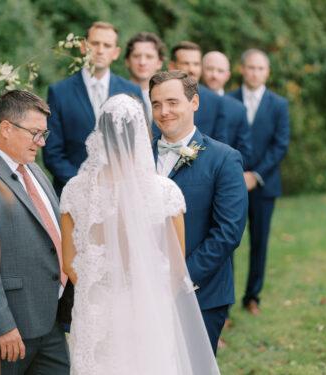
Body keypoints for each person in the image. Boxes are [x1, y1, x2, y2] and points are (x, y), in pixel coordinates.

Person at [60, 94, 220, 374]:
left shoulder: (75, 190)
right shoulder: (164, 191)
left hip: (97, 309)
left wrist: (100, 292)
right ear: (143, 133)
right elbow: (175, 263)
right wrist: (148, 298)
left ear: (100, 134)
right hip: (149, 310)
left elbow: (69, 262)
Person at [0, 90, 70, 374]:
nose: (41, 142)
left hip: (50, 321)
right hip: (9, 329)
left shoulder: (35, 170)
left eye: (44, 134)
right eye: (35, 133)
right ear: (6, 129)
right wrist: (2, 324)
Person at [150, 71, 248, 354]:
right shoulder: (137, 157)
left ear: (194, 103)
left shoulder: (224, 158)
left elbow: (228, 233)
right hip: (143, 295)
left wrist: (177, 279)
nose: (164, 111)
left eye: (172, 102)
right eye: (156, 104)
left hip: (200, 294)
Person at [44, 21, 143, 196]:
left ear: (116, 53)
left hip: (121, 194)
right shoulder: (59, 92)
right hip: (73, 193)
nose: (100, 50)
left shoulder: (131, 91)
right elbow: (52, 153)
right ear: (83, 47)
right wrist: (83, 185)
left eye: (107, 45)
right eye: (95, 43)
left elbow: (139, 145)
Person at [228, 49, 290, 315]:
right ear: (242, 69)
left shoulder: (279, 105)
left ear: (267, 72)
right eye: (251, 67)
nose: (255, 72)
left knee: (259, 242)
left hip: (264, 186)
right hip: (231, 183)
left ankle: (252, 296)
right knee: (226, 242)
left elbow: (280, 145)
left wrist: (255, 176)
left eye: (260, 68)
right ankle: (224, 301)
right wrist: (237, 174)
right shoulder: (228, 101)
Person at [153, 41, 227, 144]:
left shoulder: (216, 102)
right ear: (172, 66)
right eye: (186, 63)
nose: (192, 69)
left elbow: (220, 144)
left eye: (196, 64)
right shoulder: (159, 96)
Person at [202, 51, 251, 167]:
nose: (214, 75)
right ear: (201, 70)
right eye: (210, 69)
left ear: (227, 75)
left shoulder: (239, 109)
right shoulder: (188, 102)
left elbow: (244, 151)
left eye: (220, 71)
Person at [125, 31, 166, 123]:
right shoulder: (115, 94)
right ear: (127, 61)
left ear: (159, 62)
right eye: (136, 56)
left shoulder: (169, 96)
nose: (142, 62)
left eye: (149, 57)